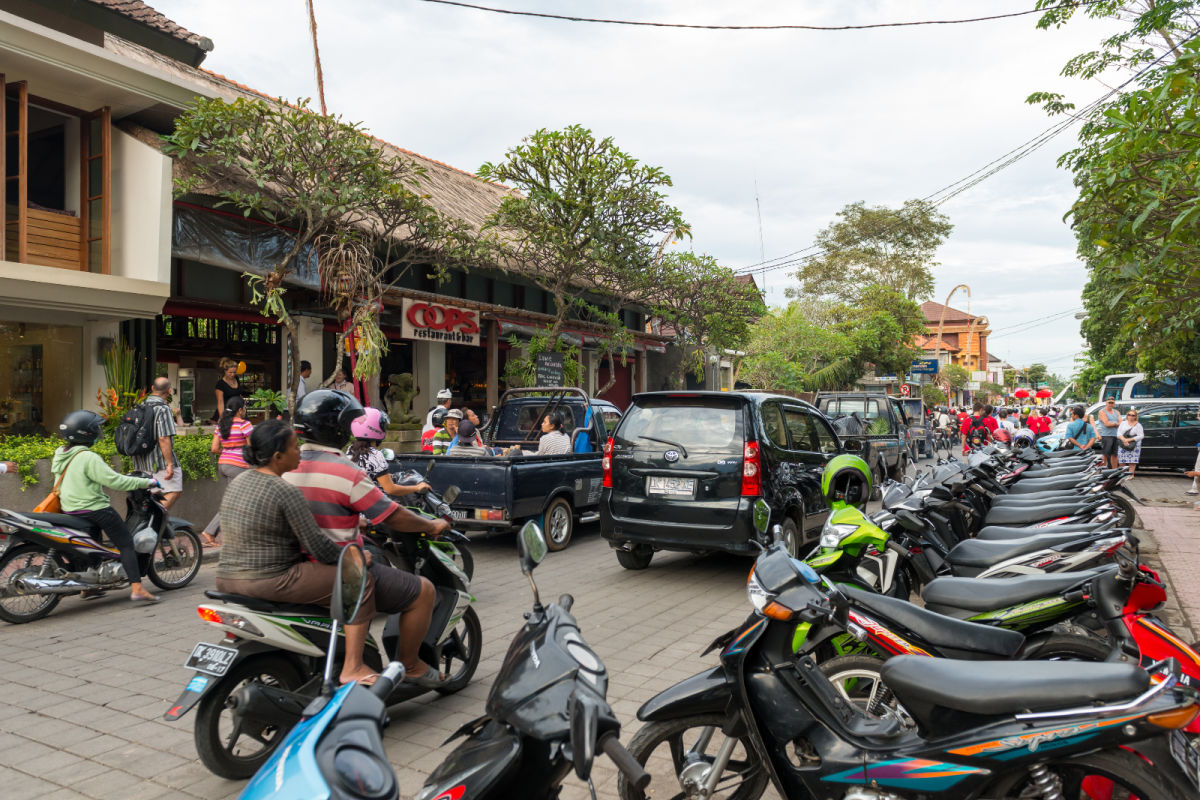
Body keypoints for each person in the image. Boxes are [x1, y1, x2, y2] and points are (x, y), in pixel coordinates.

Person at [288, 390, 450, 687]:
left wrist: (356, 520)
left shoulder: (284, 464)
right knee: (424, 590)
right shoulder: (347, 471)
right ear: (338, 428)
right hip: (338, 566)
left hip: (296, 567)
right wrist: (430, 525)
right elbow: (393, 515)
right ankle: (410, 664)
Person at [213, 420, 380, 685]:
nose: (300, 451)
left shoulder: (240, 480)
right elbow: (318, 545)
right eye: (294, 448)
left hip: (225, 578)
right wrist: (355, 558)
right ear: (277, 456)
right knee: (361, 580)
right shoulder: (284, 490)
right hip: (270, 579)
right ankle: (353, 666)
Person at [53, 410, 159, 602]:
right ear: (86, 433)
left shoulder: (61, 454)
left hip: (71, 510)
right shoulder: (88, 457)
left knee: (94, 546)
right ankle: (137, 588)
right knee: (126, 543)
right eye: (96, 428)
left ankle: (89, 588)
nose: (99, 432)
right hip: (95, 509)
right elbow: (116, 482)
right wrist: (147, 483)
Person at [201, 397, 254, 548]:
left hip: (223, 464)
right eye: (244, 407)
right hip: (238, 466)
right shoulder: (245, 425)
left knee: (239, 501)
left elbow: (214, 448)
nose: (245, 410)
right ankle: (210, 531)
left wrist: (228, 451)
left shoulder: (222, 425)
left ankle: (238, 535)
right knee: (235, 502)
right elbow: (251, 448)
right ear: (239, 410)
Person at [347, 407, 432, 497]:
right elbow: (390, 489)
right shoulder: (375, 455)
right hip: (368, 505)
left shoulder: (351, 449)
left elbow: (366, 473)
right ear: (375, 428)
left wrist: (387, 476)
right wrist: (417, 487)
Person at [132, 378, 181, 511]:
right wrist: (169, 464)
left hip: (140, 460)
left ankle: (149, 520)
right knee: (175, 490)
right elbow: (164, 437)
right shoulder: (163, 409)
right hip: (158, 462)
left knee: (152, 494)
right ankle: (153, 521)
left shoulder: (140, 406)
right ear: (169, 391)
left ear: (152, 388)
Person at [1116, 409, 1145, 476]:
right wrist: (1124, 440)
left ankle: (1131, 474)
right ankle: (1122, 474)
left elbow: (1141, 436)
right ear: (1127, 415)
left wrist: (1129, 440)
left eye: (1133, 415)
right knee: (1122, 460)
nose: (1131, 416)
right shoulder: (1123, 423)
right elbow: (1118, 433)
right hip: (1123, 443)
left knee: (1132, 461)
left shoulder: (1138, 425)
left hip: (1134, 445)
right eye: (1129, 415)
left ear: (1135, 416)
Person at [1096, 397, 1123, 469]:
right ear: (1106, 403)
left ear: (1114, 404)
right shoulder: (1102, 411)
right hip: (1106, 435)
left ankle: (1114, 470)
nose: (1111, 404)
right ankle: (1103, 469)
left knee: (1115, 454)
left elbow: (1121, 423)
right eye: (1109, 402)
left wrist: (1112, 423)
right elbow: (1106, 424)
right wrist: (1116, 424)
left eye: (1112, 403)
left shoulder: (1117, 412)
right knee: (1105, 454)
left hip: (1116, 435)